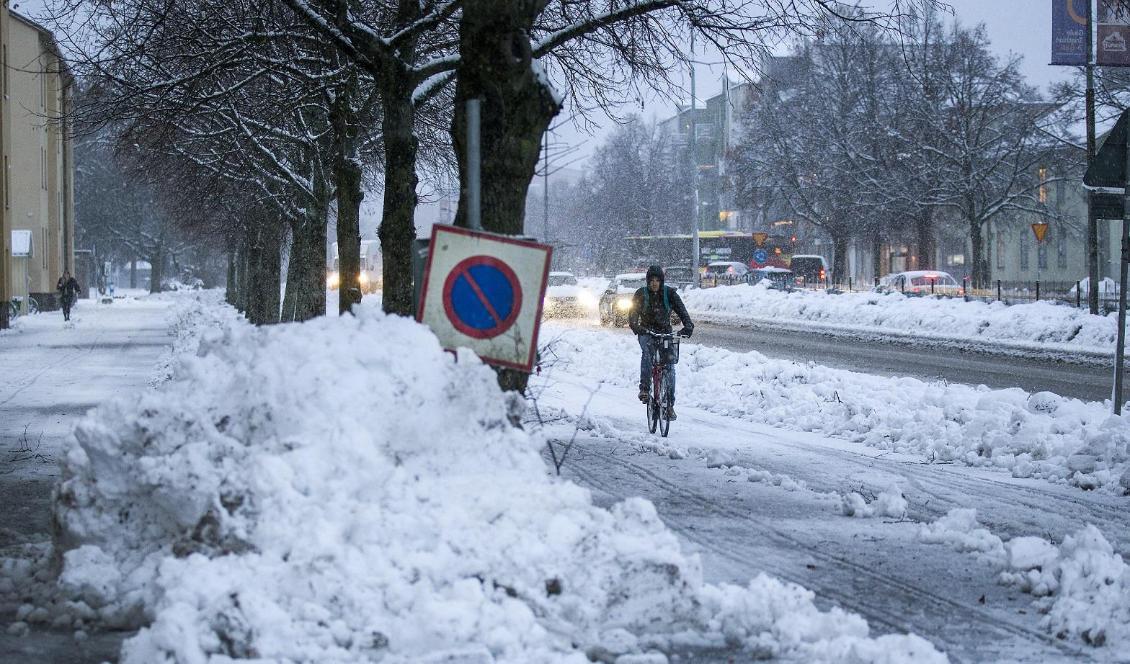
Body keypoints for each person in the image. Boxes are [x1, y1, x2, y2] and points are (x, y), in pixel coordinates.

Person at [628, 265, 693, 420]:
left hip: (665, 332)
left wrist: (688, 325)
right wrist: (636, 326)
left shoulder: (669, 293)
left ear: (662, 281)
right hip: (647, 332)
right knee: (647, 354)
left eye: (657, 280)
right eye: (651, 280)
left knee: (670, 366)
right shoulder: (641, 294)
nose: (654, 283)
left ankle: (669, 405)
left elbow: (682, 310)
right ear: (647, 281)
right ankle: (644, 388)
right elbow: (633, 314)